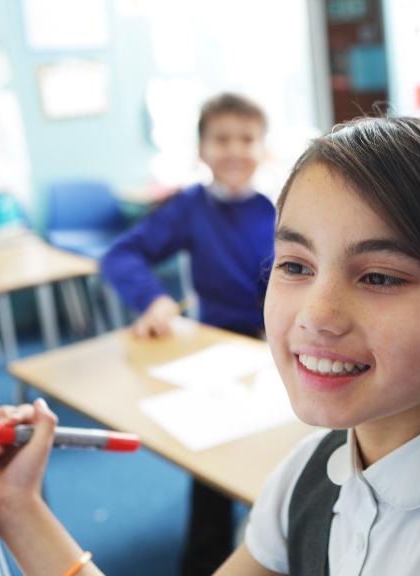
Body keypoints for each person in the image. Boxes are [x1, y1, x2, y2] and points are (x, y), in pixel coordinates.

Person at [0, 117, 420, 575]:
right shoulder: (308, 477)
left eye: (378, 277)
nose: (315, 315)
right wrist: (15, 507)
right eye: (294, 265)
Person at [100, 92, 275, 575]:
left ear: (265, 148)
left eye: (247, 138)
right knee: (213, 454)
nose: (235, 149)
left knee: (282, 449)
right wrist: (153, 299)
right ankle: (202, 560)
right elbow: (121, 256)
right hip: (213, 345)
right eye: (221, 139)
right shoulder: (189, 208)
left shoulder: (279, 208)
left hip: (275, 347)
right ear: (201, 149)